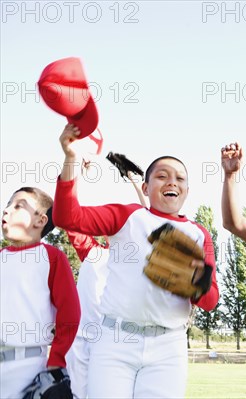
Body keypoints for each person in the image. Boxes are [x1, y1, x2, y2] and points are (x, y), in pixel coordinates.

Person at [53, 124, 219, 398]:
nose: (171, 182)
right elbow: (66, 217)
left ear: (187, 190)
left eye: (180, 178)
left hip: (169, 345)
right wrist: (70, 159)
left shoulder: (199, 235)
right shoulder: (127, 216)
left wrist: (197, 283)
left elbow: (210, 301)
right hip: (115, 340)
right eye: (161, 176)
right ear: (145, 186)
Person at [65, 165, 147, 399]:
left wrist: (134, 181)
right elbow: (72, 216)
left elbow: (149, 218)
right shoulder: (91, 251)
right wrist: (76, 172)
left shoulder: (135, 258)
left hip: (116, 341)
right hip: (82, 341)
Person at [1, 187, 80, 398]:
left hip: (28, 367)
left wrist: (57, 358)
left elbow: (70, 313)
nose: (6, 211)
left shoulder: (52, 257)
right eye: (7, 205)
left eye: (18, 206)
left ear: (40, 220)